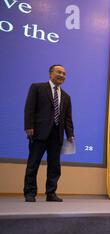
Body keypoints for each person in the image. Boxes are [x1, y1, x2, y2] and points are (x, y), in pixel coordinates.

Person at [23, 65, 74, 202]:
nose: (62, 75)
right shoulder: (37, 88)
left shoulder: (66, 97)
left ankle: (51, 193)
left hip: (56, 135)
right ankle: (30, 193)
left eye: (64, 73)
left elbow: (68, 118)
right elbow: (29, 108)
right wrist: (29, 126)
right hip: (39, 132)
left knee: (54, 166)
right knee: (33, 164)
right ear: (50, 74)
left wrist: (70, 134)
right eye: (59, 72)